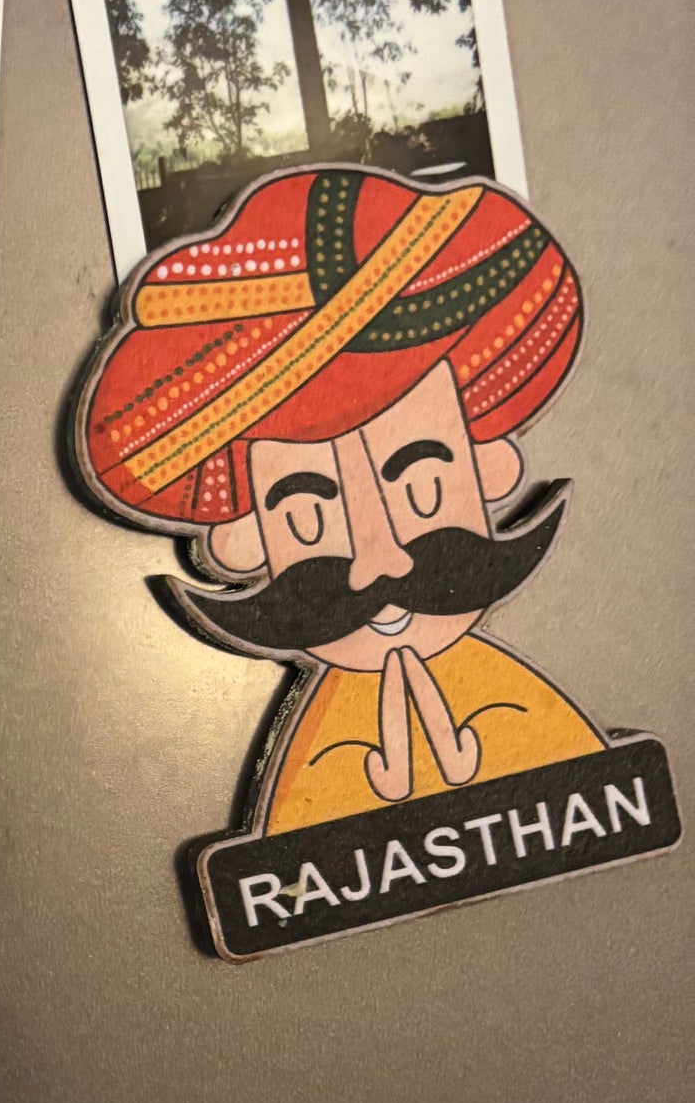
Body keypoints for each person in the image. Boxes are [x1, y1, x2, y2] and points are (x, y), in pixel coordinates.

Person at [80, 166, 605, 834]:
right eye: (307, 517)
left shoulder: (536, 721)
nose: (377, 562)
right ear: (243, 538)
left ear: (490, 467)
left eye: (419, 487)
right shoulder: (319, 767)